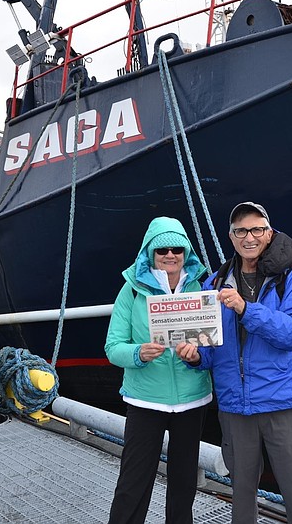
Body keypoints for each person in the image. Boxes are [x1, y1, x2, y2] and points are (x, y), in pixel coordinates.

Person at [176, 202, 292, 524]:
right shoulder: (213, 283)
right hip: (235, 407)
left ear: (269, 234)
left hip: (283, 401)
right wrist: (195, 356)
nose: (249, 237)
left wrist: (246, 309)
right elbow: (209, 351)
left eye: (257, 229)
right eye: (241, 231)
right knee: (240, 494)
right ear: (231, 237)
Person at [105, 216, 213, 524]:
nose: (170, 255)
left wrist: (196, 356)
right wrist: (138, 353)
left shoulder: (200, 287)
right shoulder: (132, 291)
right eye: (162, 249)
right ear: (150, 252)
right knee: (132, 483)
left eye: (177, 249)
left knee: (184, 485)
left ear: (186, 252)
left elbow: (213, 343)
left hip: (192, 399)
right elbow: (113, 347)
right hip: (145, 400)